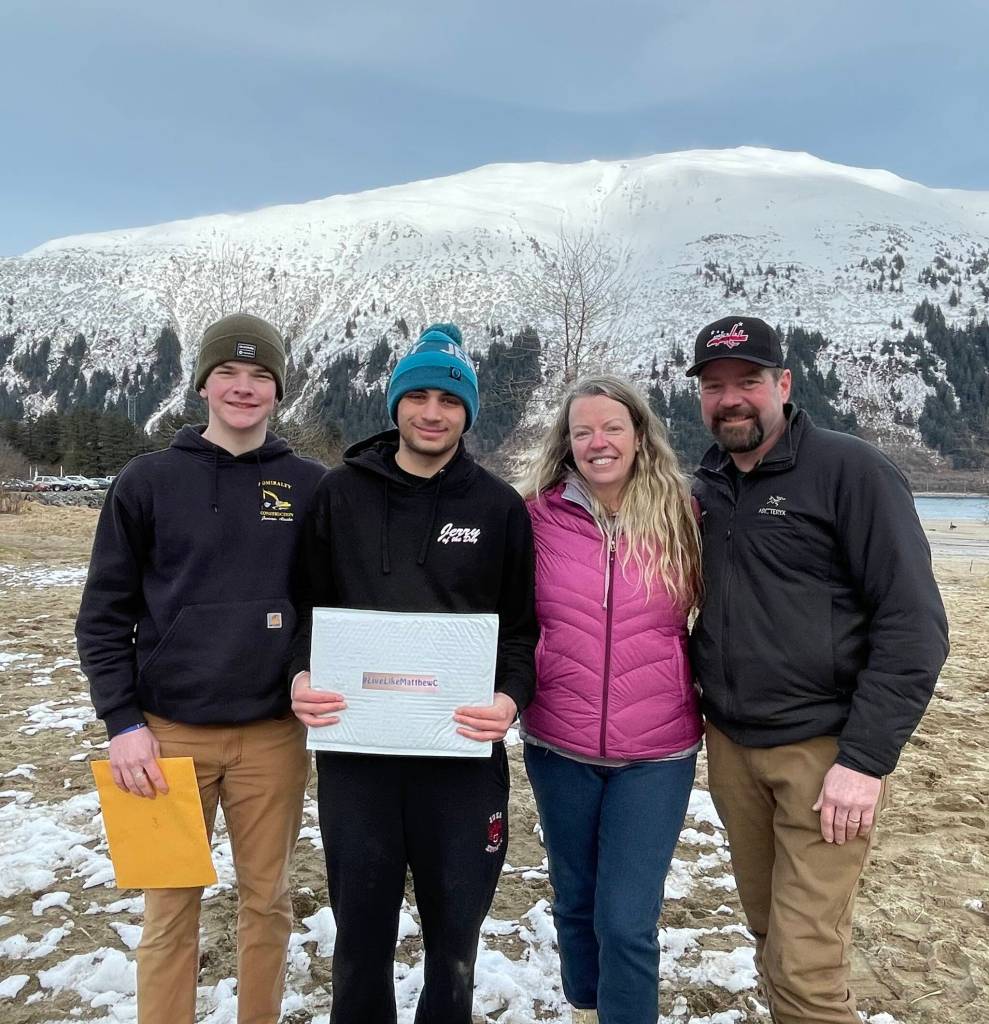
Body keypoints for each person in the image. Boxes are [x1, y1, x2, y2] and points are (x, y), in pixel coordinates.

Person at [686, 315, 950, 1024]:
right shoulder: (705, 485)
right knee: (771, 935)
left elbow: (913, 625)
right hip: (734, 748)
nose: (730, 399)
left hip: (824, 753)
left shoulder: (849, 470)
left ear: (783, 384)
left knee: (803, 969)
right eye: (714, 386)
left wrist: (864, 760)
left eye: (747, 382)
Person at [76, 313, 327, 1024]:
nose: (243, 388)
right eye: (228, 373)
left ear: (278, 390)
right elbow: (102, 617)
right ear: (203, 385)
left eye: (259, 376)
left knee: (267, 904)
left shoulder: (310, 486)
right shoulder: (146, 481)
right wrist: (122, 722)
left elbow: (321, 607)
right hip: (162, 738)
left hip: (271, 739)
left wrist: (307, 672)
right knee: (168, 910)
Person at [288, 322, 537, 1024]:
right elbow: (303, 607)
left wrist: (509, 698)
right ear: (395, 404)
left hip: (458, 755)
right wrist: (300, 676)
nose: (433, 412)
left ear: (468, 413)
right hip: (357, 756)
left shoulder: (496, 507)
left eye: (449, 400)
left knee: (454, 942)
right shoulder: (340, 495)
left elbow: (521, 629)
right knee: (359, 939)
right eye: (418, 395)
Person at [516, 375, 703, 1024]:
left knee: (625, 919)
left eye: (612, 428)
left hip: (656, 751)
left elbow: (741, 606)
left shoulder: (683, 512)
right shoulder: (533, 517)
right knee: (574, 899)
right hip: (555, 743)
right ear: (566, 444)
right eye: (582, 431)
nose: (598, 442)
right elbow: (493, 613)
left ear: (638, 434)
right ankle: (586, 1008)